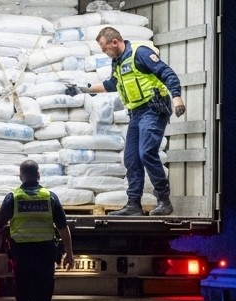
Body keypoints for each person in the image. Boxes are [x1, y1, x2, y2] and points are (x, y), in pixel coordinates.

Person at [67, 26, 185, 216]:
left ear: (115, 42)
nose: (105, 53)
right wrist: (82, 90)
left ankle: (164, 200)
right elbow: (111, 84)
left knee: (147, 152)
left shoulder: (140, 53)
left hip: (153, 108)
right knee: (132, 159)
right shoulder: (118, 62)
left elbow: (167, 73)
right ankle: (133, 205)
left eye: (105, 48)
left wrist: (177, 97)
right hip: (136, 114)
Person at [0, 159, 74, 301]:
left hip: (23, 256)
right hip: (46, 255)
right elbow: (63, 228)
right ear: (38, 176)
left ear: (21, 176)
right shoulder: (50, 197)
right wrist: (70, 253)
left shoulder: (13, 197)